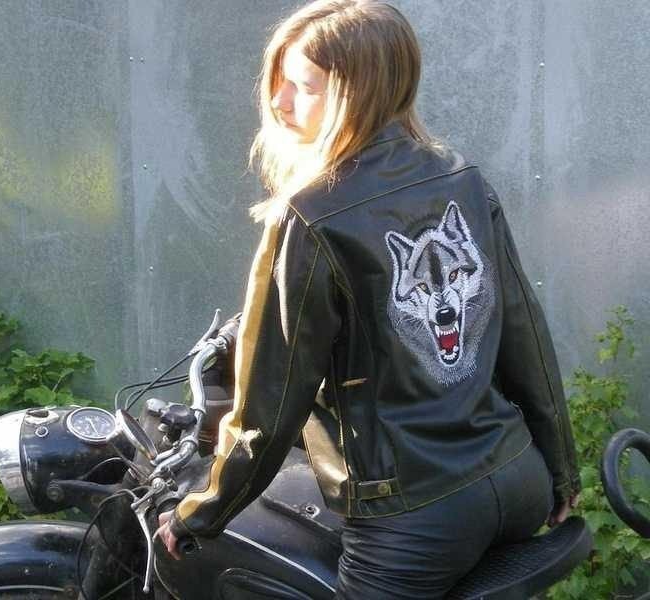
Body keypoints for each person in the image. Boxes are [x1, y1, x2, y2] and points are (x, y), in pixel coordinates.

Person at [157, 1, 581, 597]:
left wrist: (199, 512)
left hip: (414, 519)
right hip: (517, 477)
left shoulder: (310, 218)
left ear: (357, 95)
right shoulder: (461, 178)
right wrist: (561, 469)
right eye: (278, 82)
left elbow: (268, 412)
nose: (278, 102)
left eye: (304, 87)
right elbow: (523, 334)